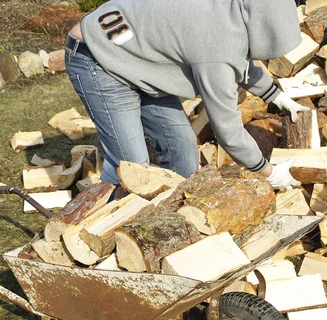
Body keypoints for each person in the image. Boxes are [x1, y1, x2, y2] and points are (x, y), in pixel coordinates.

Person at [65, 0, 308, 191]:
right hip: (97, 57)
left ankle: (166, 220)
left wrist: (276, 97)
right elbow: (229, 132)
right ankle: (100, 230)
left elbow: (238, 62)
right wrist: (270, 173)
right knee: (131, 167)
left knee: (181, 147)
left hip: (138, 57)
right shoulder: (216, 46)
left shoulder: (231, 12)